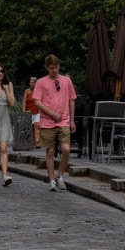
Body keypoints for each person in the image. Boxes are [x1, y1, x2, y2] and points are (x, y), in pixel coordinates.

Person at [32, 55, 77, 190]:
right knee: (50, 151)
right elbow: (37, 101)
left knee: (66, 149)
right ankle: (51, 179)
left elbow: (71, 100)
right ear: (47, 68)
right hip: (48, 121)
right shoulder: (41, 82)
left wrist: (72, 120)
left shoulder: (66, 81)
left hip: (64, 120)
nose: (54, 70)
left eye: (56, 67)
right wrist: (51, 113)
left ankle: (60, 175)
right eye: (51, 68)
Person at [22, 76, 41, 149]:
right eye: (30, 82)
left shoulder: (38, 91)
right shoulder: (27, 91)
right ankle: (30, 142)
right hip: (28, 111)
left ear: (35, 83)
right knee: (29, 128)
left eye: (32, 82)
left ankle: (37, 142)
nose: (30, 84)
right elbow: (24, 101)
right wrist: (24, 111)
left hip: (37, 111)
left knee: (37, 126)